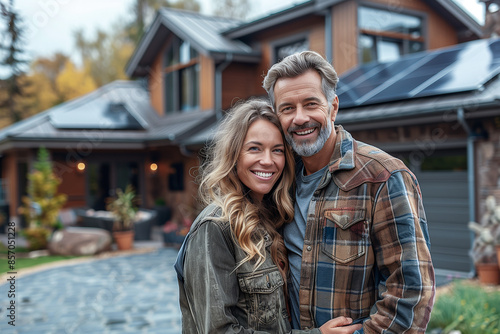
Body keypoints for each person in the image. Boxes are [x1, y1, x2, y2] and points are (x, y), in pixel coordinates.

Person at [262, 51, 436, 333]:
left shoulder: (383, 177)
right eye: (287, 108)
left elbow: (411, 292)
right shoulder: (276, 180)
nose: (300, 118)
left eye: (310, 104)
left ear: (333, 107)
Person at [174, 98, 362, 333]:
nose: (267, 161)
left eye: (277, 151)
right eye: (254, 148)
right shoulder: (215, 227)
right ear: (234, 154)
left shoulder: (272, 219)